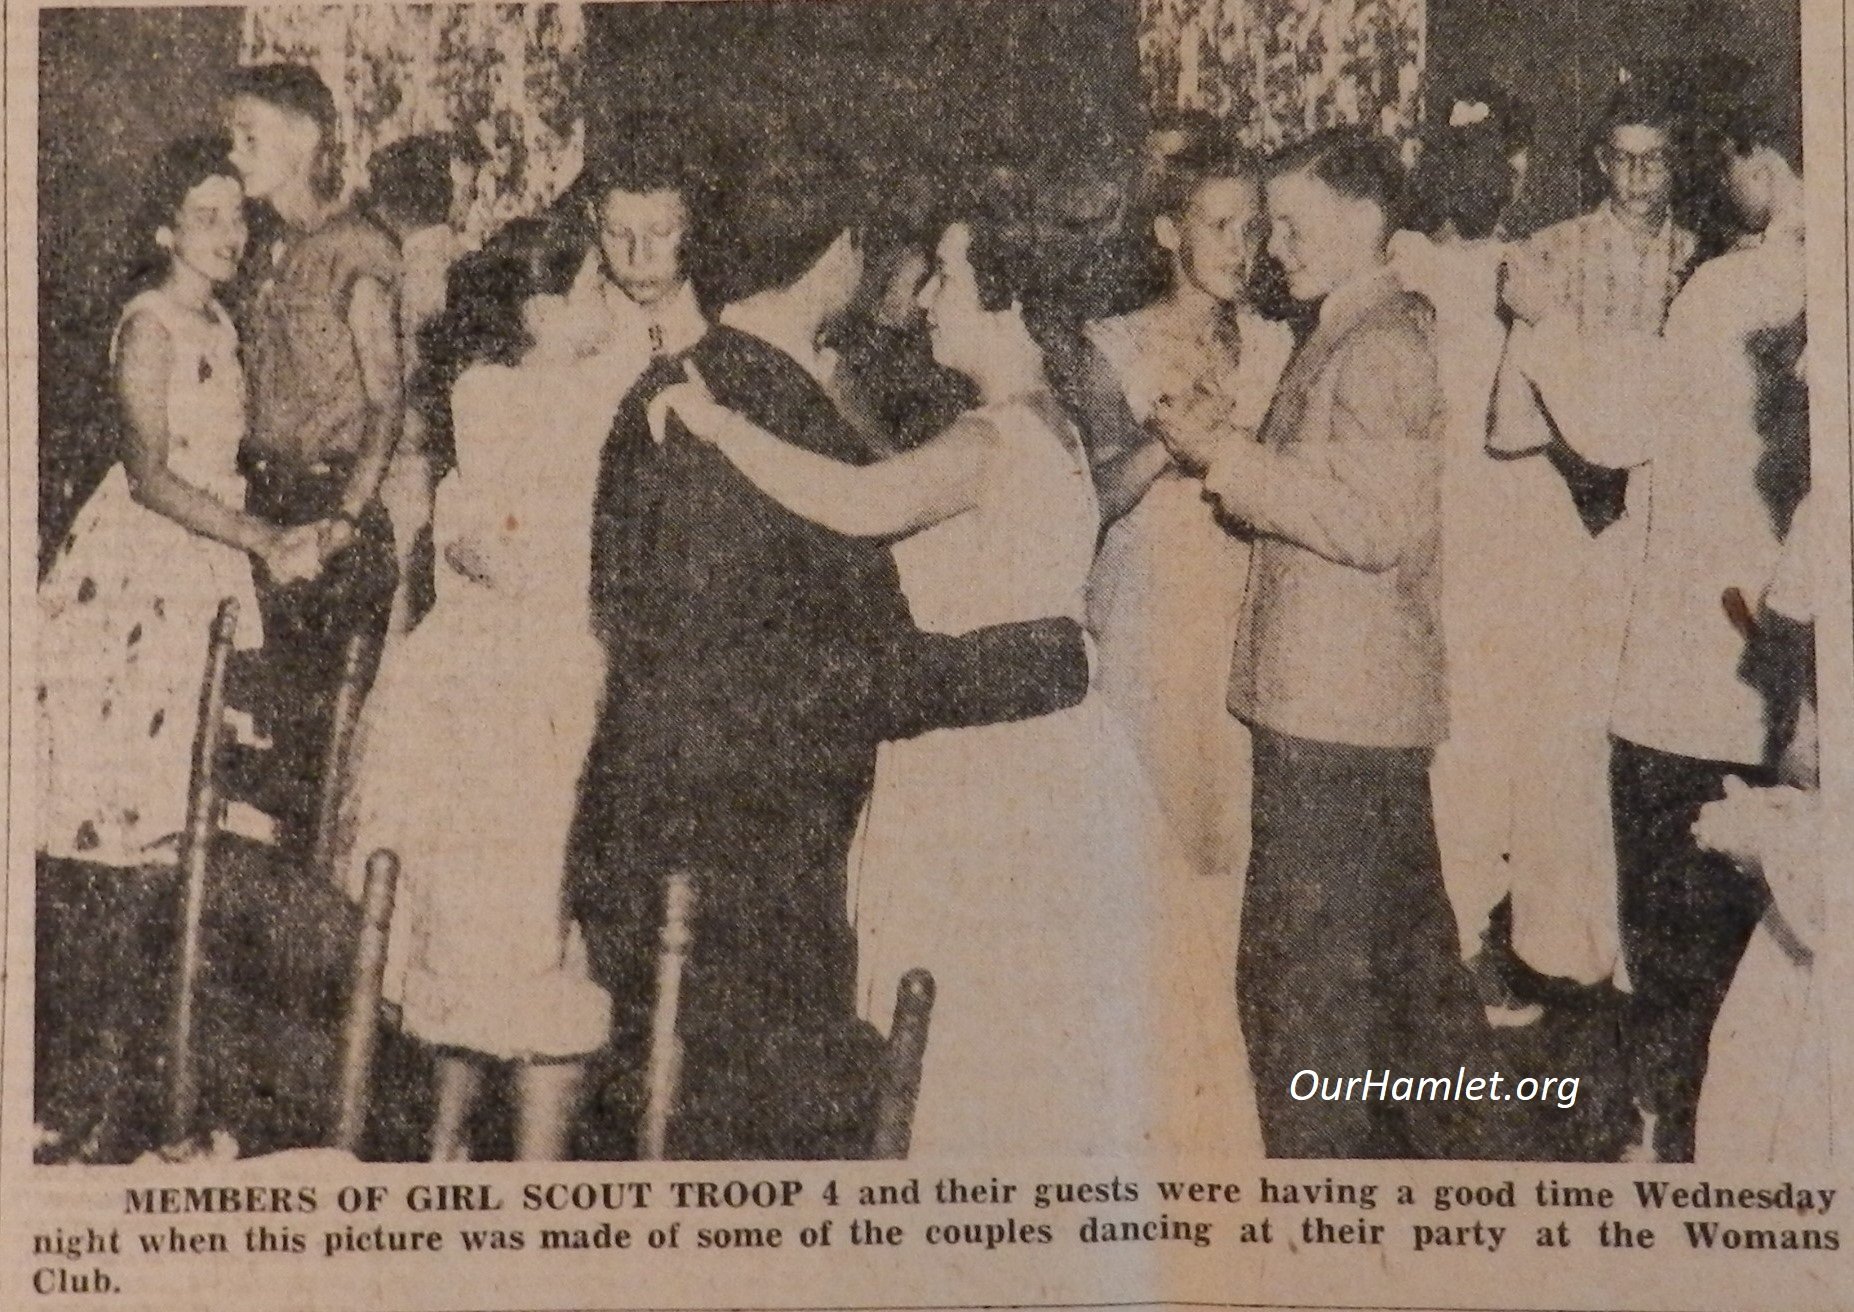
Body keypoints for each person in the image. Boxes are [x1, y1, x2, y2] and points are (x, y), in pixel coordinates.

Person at [651, 214, 1256, 1158]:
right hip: (1050, 759)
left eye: (947, 278)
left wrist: (719, 423)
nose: (926, 299)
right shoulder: (1053, 423)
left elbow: (855, 505)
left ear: (1006, 300)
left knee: (972, 1043)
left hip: (984, 780)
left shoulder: (988, 442)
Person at [565, 148, 1094, 1160]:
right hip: (745, 854)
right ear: (839, 254)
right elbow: (814, 672)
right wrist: (1041, 668)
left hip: (673, 826)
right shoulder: (753, 404)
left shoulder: (678, 386)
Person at [1152, 130, 1492, 1159]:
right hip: (1348, 710)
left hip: (1337, 715)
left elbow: (1374, 525)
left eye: (1294, 224)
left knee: (1310, 989)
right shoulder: (1351, 325)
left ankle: (1320, 1196)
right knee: (1400, 978)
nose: (1275, 246)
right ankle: (1435, 1177)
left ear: (1364, 220)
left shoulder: (1379, 341)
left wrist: (1226, 454)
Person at [1504, 104, 1806, 1162]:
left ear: (1754, 163)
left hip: (1693, 681)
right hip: (1787, 679)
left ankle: (1667, 1145)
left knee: (1681, 946)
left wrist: (1540, 322)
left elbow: (1624, 425)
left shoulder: (1733, 284)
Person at [35, 136, 321, 1155]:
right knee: (115, 840)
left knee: (183, 837)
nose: (229, 233)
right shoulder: (150, 325)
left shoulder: (224, 328)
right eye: (206, 216)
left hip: (204, 575)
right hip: (137, 586)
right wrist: (259, 536)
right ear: (165, 230)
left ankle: (161, 1090)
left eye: (237, 216)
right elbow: (153, 475)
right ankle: (88, 1093)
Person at [340, 224, 623, 1162]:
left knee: (511, 938)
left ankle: (459, 1154)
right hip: (508, 698)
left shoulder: (561, 391)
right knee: (512, 932)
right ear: (541, 313)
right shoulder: (504, 394)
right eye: (592, 287)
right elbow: (496, 538)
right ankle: (475, 1163)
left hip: (524, 680)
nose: (607, 302)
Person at [1489, 81, 1700, 993]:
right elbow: (1516, 416)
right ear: (1598, 160)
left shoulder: (1707, 259)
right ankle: (1566, 950)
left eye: (1654, 158)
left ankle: (1641, 953)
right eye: (1621, 157)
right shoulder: (1553, 252)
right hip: (1575, 527)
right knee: (1567, 743)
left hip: (1669, 529)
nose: (1637, 177)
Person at [1083, 138, 1293, 882]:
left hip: (1244, 603)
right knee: (1150, 827)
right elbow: (1091, 500)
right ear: (1170, 231)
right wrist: (1171, 444)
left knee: (1235, 827)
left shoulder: (1278, 343)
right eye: (1220, 227)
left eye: (1254, 229)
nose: (1242, 249)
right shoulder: (1115, 345)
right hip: (1152, 612)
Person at [1390, 96, 1543, 1021]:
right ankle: (1448, 943)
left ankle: (1486, 934)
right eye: (1458, 154)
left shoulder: (1522, 269)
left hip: (1507, 540)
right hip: (1428, 532)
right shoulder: (1402, 264)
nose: (1475, 175)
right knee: (1444, 739)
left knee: (1499, 736)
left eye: (1494, 156)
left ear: (1519, 167)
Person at [227, 62, 402, 844]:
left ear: (304, 138)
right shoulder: (264, 249)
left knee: (311, 767)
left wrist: (345, 518)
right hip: (260, 506)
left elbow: (385, 400)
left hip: (325, 515)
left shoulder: (355, 248)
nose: (235, 153)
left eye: (249, 135)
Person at [362, 133, 480, 636]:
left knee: (398, 612)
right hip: (440, 458)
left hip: (402, 458)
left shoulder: (386, 264)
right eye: (464, 192)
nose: (466, 207)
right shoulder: (461, 261)